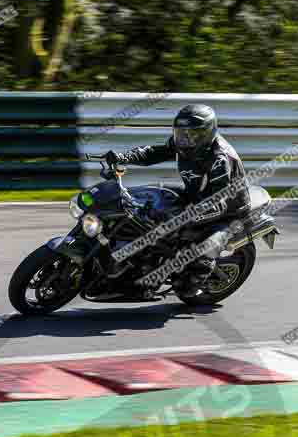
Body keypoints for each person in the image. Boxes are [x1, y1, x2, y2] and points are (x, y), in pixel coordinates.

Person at [105, 104, 251, 297]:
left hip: (228, 207)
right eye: (180, 133)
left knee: (194, 246)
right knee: (151, 199)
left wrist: (186, 217)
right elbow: (156, 152)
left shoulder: (219, 159)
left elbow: (217, 200)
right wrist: (124, 157)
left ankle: (196, 277)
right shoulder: (185, 142)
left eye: (191, 134)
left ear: (207, 133)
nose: (184, 138)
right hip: (197, 195)